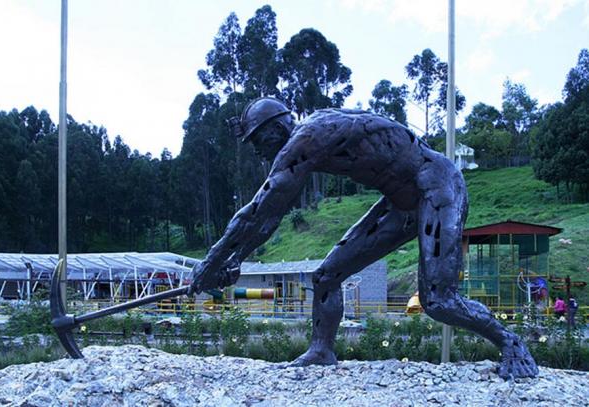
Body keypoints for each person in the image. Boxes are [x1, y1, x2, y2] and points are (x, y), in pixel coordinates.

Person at [189, 97, 538, 378]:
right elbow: (266, 216)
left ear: (278, 127)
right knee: (326, 276)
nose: (256, 150)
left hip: (437, 187)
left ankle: (511, 343)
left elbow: (261, 210)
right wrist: (232, 259)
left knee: (438, 300)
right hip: (400, 202)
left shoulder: (308, 136)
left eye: (258, 139)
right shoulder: (307, 138)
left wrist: (213, 262)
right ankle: (321, 349)